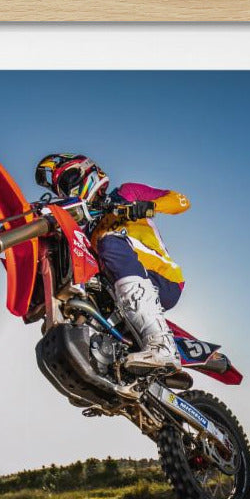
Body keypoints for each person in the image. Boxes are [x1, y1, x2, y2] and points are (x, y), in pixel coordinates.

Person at [35, 153, 190, 372]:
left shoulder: (126, 193)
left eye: (69, 181)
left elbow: (181, 201)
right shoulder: (85, 228)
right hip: (117, 292)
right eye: (61, 189)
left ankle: (163, 345)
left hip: (162, 278)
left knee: (109, 241)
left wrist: (146, 206)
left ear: (87, 172)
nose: (66, 192)